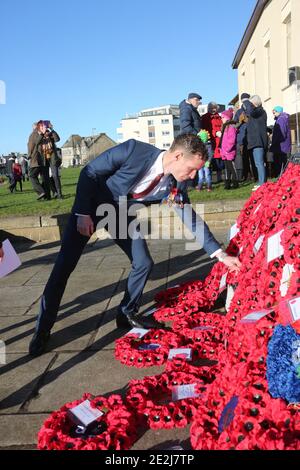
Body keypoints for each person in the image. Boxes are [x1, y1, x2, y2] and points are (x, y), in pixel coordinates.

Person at [29, 135, 241, 357]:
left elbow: (189, 216)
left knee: (143, 263)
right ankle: (42, 329)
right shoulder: (132, 150)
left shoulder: (175, 182)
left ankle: (126, 312)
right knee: (64, 266)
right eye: (191, 169)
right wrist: (82, 212)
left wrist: (220, 254)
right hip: (91, 207)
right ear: (178, 156)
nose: (194, 175)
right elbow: (89, 172)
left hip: (118, 214)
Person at [243, 95, 268, 190]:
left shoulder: (260, 111)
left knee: (259, 163)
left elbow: (250, 112)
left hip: (258, 141)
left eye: (251, 103)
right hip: (255, 141)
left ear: (254, 103)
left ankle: (262, 183)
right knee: (258, 163)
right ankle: (261, 181)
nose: (250, 105)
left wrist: (246, 101)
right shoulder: (256, 112)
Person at [27, 121, 51, 200]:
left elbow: (31, 146)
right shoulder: (44, 134)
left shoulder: (33, 134)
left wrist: (29, 155)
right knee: (45, 178)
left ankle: (41, 192)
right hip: (44, 158)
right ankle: (47, 196)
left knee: (31, 176)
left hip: (36, 159)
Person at [201, 102, 223, 183]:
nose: (213, 110)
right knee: (209, 160)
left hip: (219, 141)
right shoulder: (205, 117)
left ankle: (219, 178)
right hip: (209, 141)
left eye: (215, 108)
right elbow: (205, 129)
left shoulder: (220, 117)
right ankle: (207, 180)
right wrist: (215, 132)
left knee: (219, 160)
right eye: (211, 108)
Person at [270, 106, 291, 177]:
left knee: (282, 163)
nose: (273, 113)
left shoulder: (281, 119)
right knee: (283, 163)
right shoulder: (281, 119)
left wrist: (275, 141)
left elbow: (282, 133)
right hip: (282, 145)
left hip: (281, 146)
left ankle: (282, 177)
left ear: (279, 111)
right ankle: (282, 176)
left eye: (274, 111)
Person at [220, 109, 239, 189]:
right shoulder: (224, 127)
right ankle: (227, 184)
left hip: (229, 152)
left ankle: (235, 183)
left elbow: (231, 140)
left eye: (223, 117)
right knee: (227, 169)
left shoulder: (231, 128)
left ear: (227, 118)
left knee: (232, 168)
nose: (221, 119)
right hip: (225, 152)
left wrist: (227, 149)